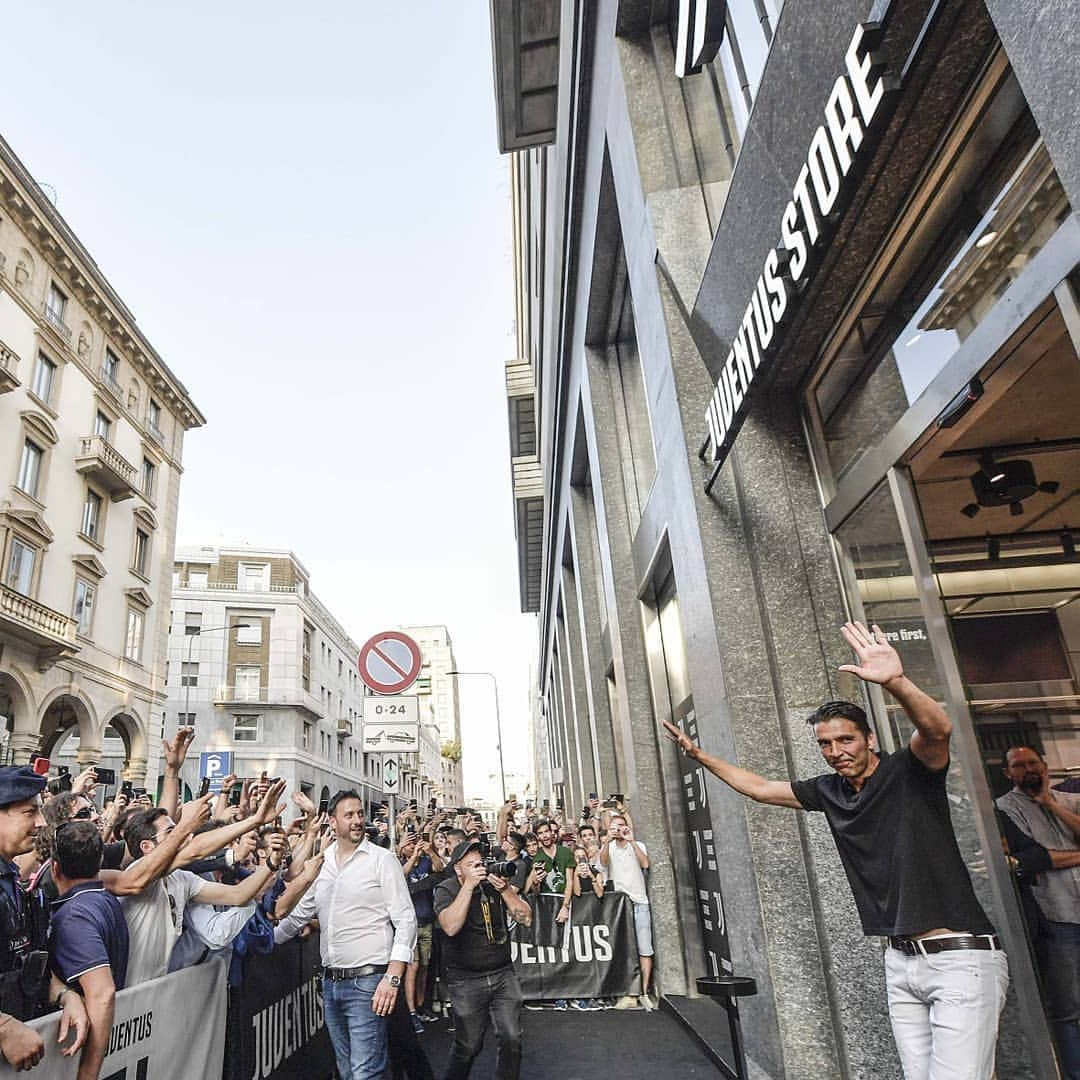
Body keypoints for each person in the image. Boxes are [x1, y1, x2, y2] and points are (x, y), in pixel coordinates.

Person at [664, 622, 1008, 1080]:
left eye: (845, 739)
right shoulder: (830, 791)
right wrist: (700, 756)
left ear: (868, 738)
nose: (836, 751)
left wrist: (895, 683)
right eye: (825, 744)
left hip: (960, 960)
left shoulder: (910, 772)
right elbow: (763, 788)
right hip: (901, 962)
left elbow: (938, 730)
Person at [275, 790, 417, 1080]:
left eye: (360, 814)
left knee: (366, 1072)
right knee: (348, 1071)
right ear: (333, 821)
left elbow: (406, 919)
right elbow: (300, 914)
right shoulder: (322, 862)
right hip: (331, 985)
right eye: (349, 815)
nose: (357, 821)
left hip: (369, 982)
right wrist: (265, 942)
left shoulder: (382, 859)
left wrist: (392, 978)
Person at [996, 746, 1080, 1078]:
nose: (1028, 769)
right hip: (1055, 916)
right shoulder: (1005, 808)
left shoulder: (1069, 800)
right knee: (1068, 1006)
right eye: (1019, 765)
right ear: (1008, 774)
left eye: (1033, 763)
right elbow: (1035, 857)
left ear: (1045, 767)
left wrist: (1050, 803)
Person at [0, 766, 89, 1071]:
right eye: (29, 812)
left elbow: (23, 965)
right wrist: (4, 1027)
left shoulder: (12, 879)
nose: (40, 822)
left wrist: (65, 996)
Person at [435, 839, 533, 1079]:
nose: (479, 869)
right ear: (458, 868)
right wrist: (468, 887)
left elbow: (526, 918)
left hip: (502, 974)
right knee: (468, 1045)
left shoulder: (491, 885)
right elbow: (450, 927)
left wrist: (505, 890)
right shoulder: (447, 889)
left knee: (512, 1038)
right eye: (471, 865)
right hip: (466, 979)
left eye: (480, 863)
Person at [49, 820, 128, 1080]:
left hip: (72, 1056)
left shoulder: (75, 916)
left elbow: (102, 993)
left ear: (55, 868)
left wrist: (88, 1073)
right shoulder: (104, 898)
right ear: (101, 859)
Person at [599, 813, 653, 1008]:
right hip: (620, 906)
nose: (619, 830)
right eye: (615, 827)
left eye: (621, 825)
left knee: (644, 947)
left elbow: (645, 864)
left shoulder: (637, 844)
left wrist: (632, 841)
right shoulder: (609, 847)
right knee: (624, 949)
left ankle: (644, 991)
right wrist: (606, 840)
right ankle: (629, 992)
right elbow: (604, 862)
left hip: (640, 902)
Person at [400, 832, 444, 1031]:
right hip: (409, 924)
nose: (413, 847)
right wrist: (412, 856)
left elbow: (440, 868)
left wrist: (430, 851)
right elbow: (401, 877)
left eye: (414, 844)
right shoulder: (397, 863)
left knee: (425, 967)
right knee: (413, 967)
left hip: (426, 921)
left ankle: (420, 1006)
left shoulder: (427, 862)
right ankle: (410, 1012)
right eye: (408, 845)